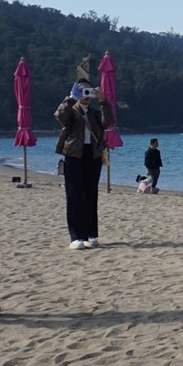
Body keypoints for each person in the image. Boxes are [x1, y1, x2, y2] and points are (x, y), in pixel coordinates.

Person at [54, 81, 115, 249]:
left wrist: (103, 100)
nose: (86, 95)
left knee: (91, 194)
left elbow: (108, 122)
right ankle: (76, 236)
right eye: (82, 91)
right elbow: (60, 116)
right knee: (74, 195)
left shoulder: (95, 113)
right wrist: (71, 98)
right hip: (73, 155)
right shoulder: (71, 111)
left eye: (88, 91)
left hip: (93, 155)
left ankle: (91, 234)